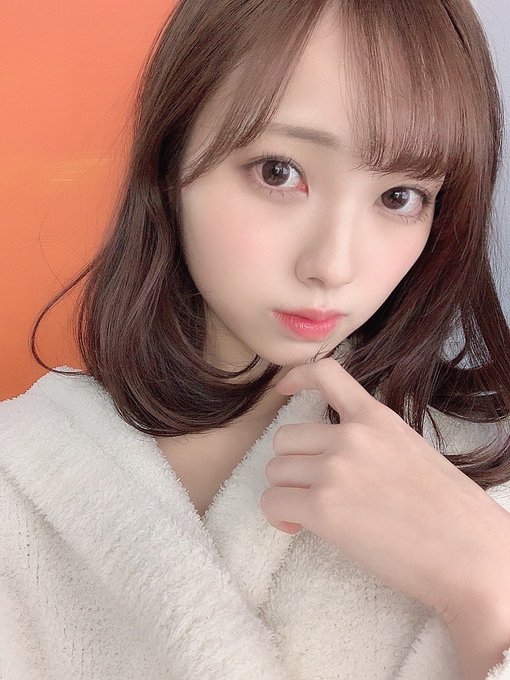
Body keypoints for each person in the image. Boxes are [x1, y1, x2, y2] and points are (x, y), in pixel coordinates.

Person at [1, 0, 509, 678]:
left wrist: (489, 582)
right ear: (171, 161)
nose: (333, 265)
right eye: (279, 172)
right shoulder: (19, 479)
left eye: (399, 197)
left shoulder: (487, 473)